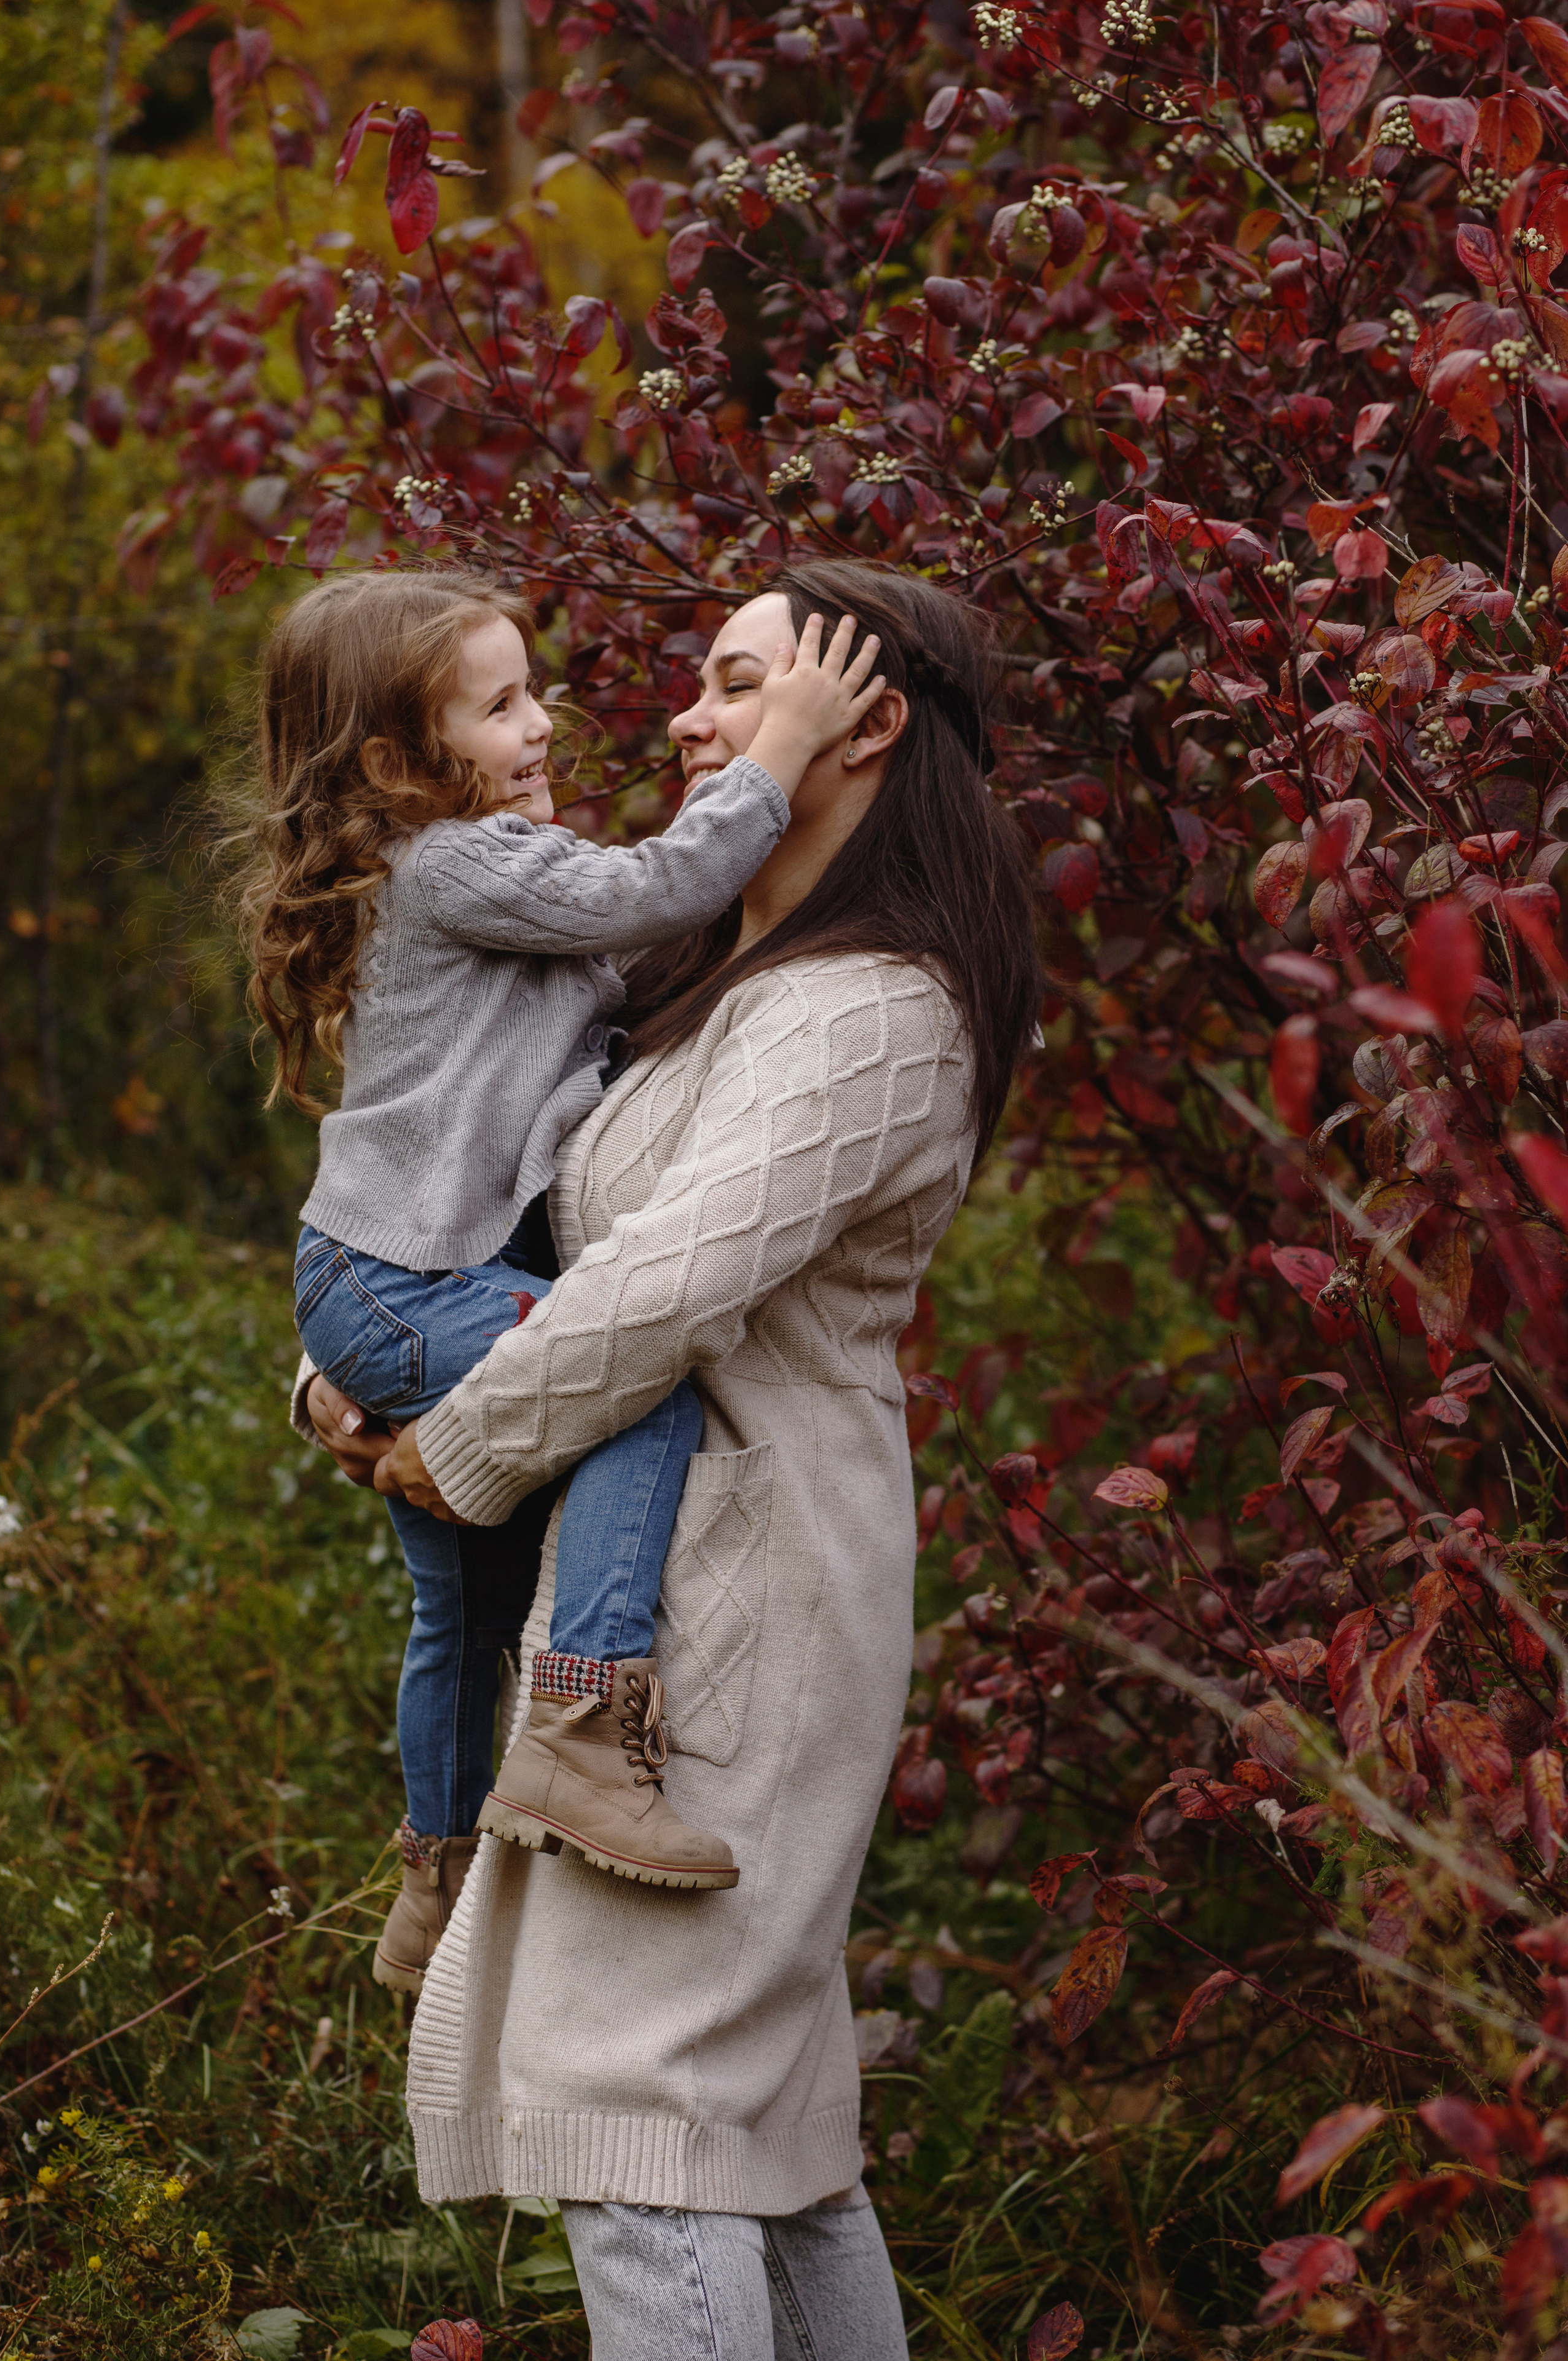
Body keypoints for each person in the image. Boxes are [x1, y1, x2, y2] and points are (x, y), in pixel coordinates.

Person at [305, 558, 1042, 2360]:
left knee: (642, 2134)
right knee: (763, 2144)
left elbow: (658, 1290)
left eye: (738, 689)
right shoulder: (714, 982)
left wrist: (446, 1453)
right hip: (657, 1593)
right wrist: (336, 1386)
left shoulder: (870, 1011)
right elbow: (474, 1210)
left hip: (751, 1599)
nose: (689, 727)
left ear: (862, 725)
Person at [235, 566, 885, 1991]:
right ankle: (583, 1734)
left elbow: (634, 939)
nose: (544, 724)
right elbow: (660, 886)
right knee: (628, 1396)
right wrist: (778, 750)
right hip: (408, 1282)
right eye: (501, 706)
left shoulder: (472, 863)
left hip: (386, 1276)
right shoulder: (458, 864)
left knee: (458, 1606)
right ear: (402, 768)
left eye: (532, 691)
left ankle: (438, 1869)